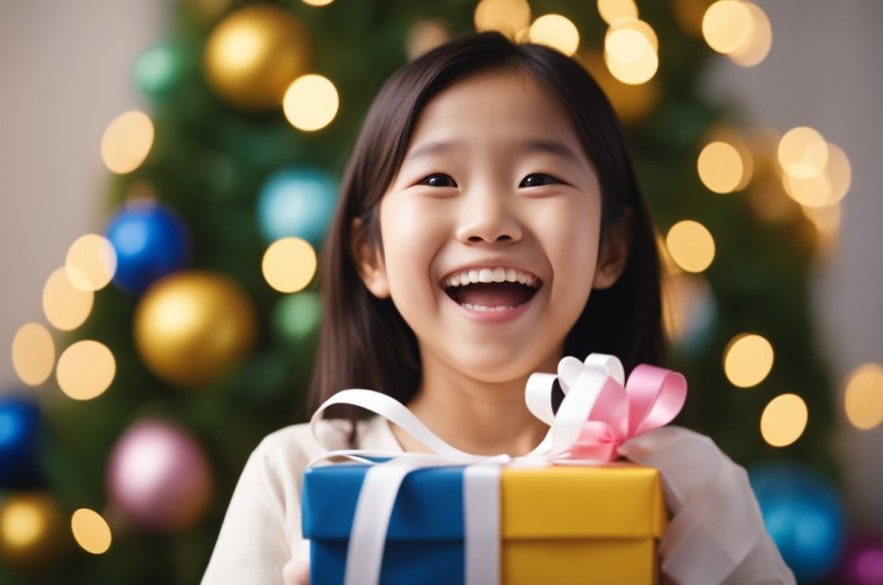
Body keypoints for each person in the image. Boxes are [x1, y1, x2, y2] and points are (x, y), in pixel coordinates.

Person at [201, 31, 794, 585]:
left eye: (538, 179)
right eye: (437, 179)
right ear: (371, 254)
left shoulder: (687, 486)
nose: (488, 223)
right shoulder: (297, 472)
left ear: (611, 247)